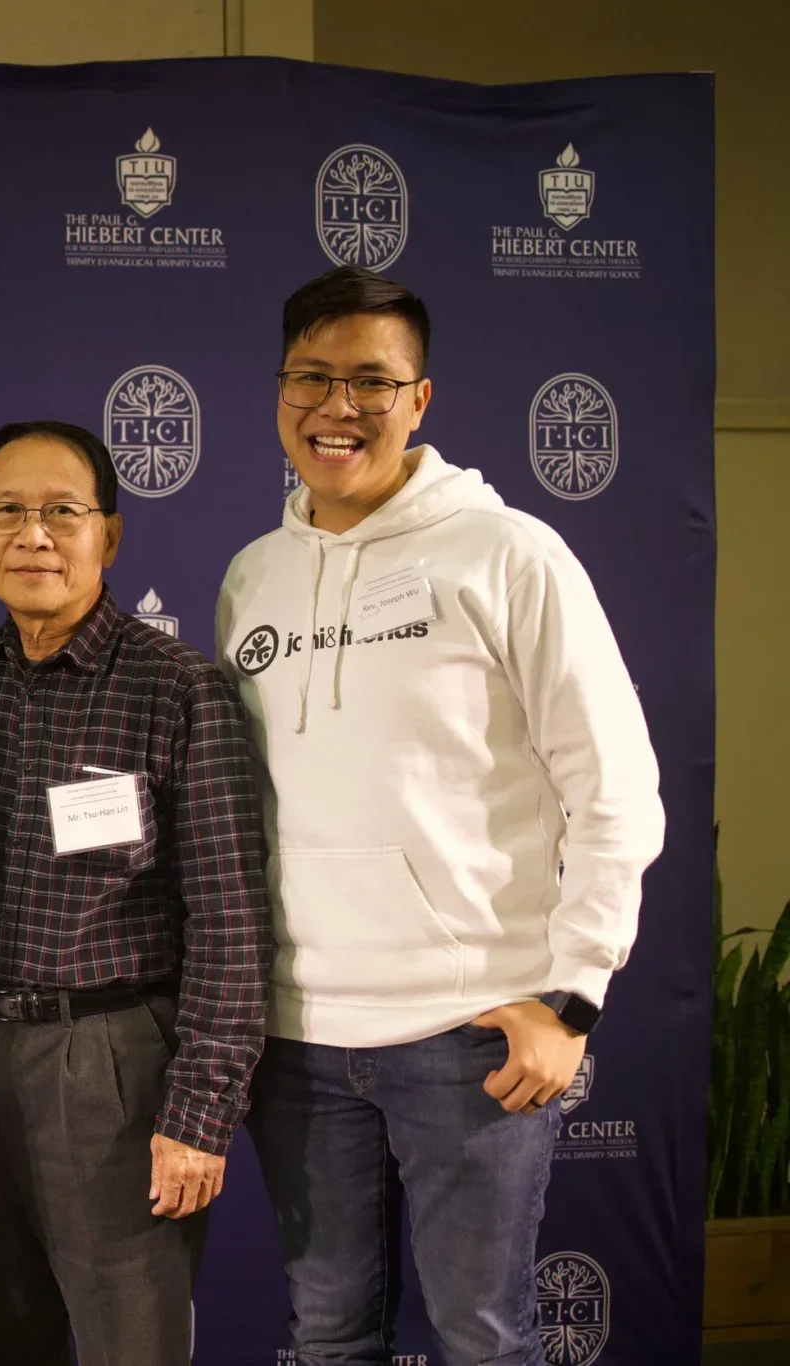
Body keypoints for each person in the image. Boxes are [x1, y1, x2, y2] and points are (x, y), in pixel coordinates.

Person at [217, 266, 664, 1366]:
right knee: (327, 1337)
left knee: (483, 1338)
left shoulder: (507, 553)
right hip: (298, 1037)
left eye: (371, 381)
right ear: (279, 392)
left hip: (470, 1032)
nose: (339, 407)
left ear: (418, 400)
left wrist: (572, 994)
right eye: (312, 377)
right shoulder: (252, 577)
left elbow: (612, 785)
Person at [0, 420, 272, 1366]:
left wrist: (198, 1117)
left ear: (109, 535)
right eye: (8, 512)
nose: (33, 535)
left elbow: (230, 923)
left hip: (115, 1066)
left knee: (132, 1343)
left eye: (63, 513)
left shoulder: (179, 691)